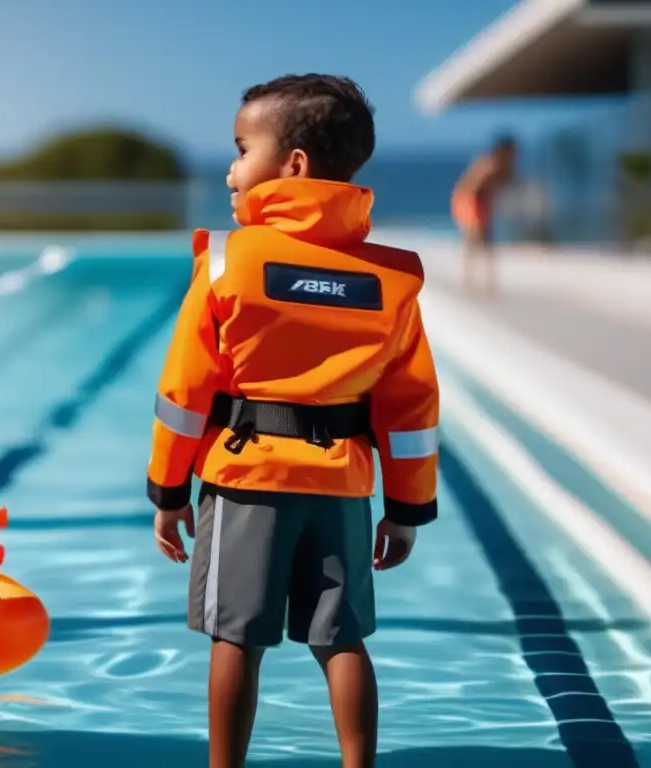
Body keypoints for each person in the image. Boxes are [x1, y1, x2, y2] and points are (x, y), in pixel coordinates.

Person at [145, 73, 439, 768]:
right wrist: (405, 508)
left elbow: (185, 391)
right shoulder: (391, 280)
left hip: (245, 480)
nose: (230, 169)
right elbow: (411, 406)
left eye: (242, 149)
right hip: (340, 488)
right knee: (339, 640)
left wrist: (168, 491)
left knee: (234, 638)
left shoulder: (225, 263)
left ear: (293, 166)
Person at [451, 135, 517, 294]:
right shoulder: (489, 164)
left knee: (482, 241)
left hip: (478, 202)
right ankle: (472, 280)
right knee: (475, 239)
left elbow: (506, 185)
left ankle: (482, 281)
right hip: (470, 200)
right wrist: (476, 209)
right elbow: (472, 187)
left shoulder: (501, 166)